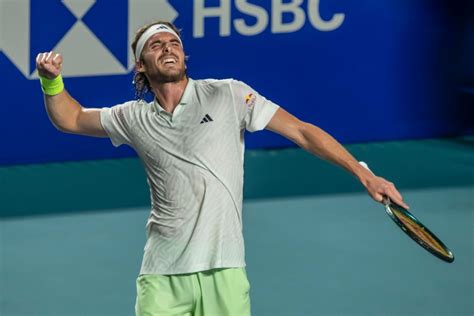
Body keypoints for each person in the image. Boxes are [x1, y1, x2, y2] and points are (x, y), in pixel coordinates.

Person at [36, 21, 409, 316]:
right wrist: (51, 80)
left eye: (174, 44)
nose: (168, 48)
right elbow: (70, 118)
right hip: (162, 273)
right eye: (156, 44)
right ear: (140, 65)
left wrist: (364, 172)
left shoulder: (228, 94)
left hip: (225, 270)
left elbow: (301, 131)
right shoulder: (132, 118)